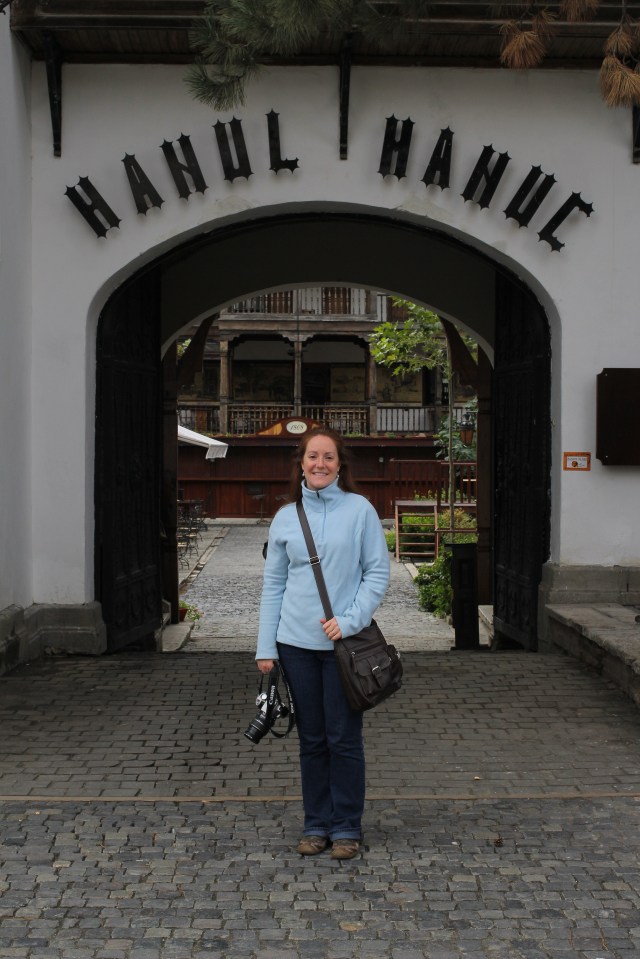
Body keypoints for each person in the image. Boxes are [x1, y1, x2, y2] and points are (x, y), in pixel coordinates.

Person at [255, 427, 390, 860]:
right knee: (311, 738)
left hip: (343, 648)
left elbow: (377, 574)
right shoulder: (285, 517)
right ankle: (316, 824)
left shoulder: (360, 511)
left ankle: (347, 826)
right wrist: (266, 647)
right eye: (312, 457)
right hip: (295, 645)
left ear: (339, 464)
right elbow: (273, 585)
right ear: (301, 463)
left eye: (328, 457)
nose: (319, 465)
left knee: (343, 737)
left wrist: (349, 622)